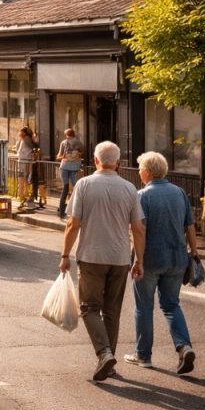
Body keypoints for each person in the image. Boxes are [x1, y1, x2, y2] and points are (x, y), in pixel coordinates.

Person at [59, 141, 145, 381]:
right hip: (119, 258)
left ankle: (104, 353)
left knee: (88, 308)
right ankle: (109, 361)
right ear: (117, 162)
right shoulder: (129, 188)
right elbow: (138, 228)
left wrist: (65, 255)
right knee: (112, 311)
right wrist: (139, 259)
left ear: (96, 161)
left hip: (92, 256)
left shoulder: (84, 185)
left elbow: (73, 224)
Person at [124, 152, 197, 374]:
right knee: (171, 305)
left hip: (150, 259)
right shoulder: (179, 193)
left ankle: (143, 355)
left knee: (144, 306)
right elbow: (190, 226)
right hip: (177, 259)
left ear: (147, 171)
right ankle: (184, 347)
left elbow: (139, 230)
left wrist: (137, 259)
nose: (138, 173)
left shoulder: (142, 195)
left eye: (140, 169)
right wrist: (193, 253)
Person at [56, 128, 84, 219]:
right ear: (73, 134)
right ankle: (75, 211)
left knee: (65, 188)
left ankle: (61, 210)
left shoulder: (63, 143)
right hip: (75, 167)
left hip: (64, 167)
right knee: (76, 189)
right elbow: (82, 152)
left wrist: (64, 156)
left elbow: (59, 156)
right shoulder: (78, 143)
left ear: (66, 135)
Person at [15, 126, 39, 209]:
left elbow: (17, 150)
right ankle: (24, 197)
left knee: (22, 180)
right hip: (27, 161)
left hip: (21, 161)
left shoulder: (22, 139)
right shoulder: (27, 139)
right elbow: (35, 147)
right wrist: (34, 138)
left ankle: (22, 197)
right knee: (27, 180)